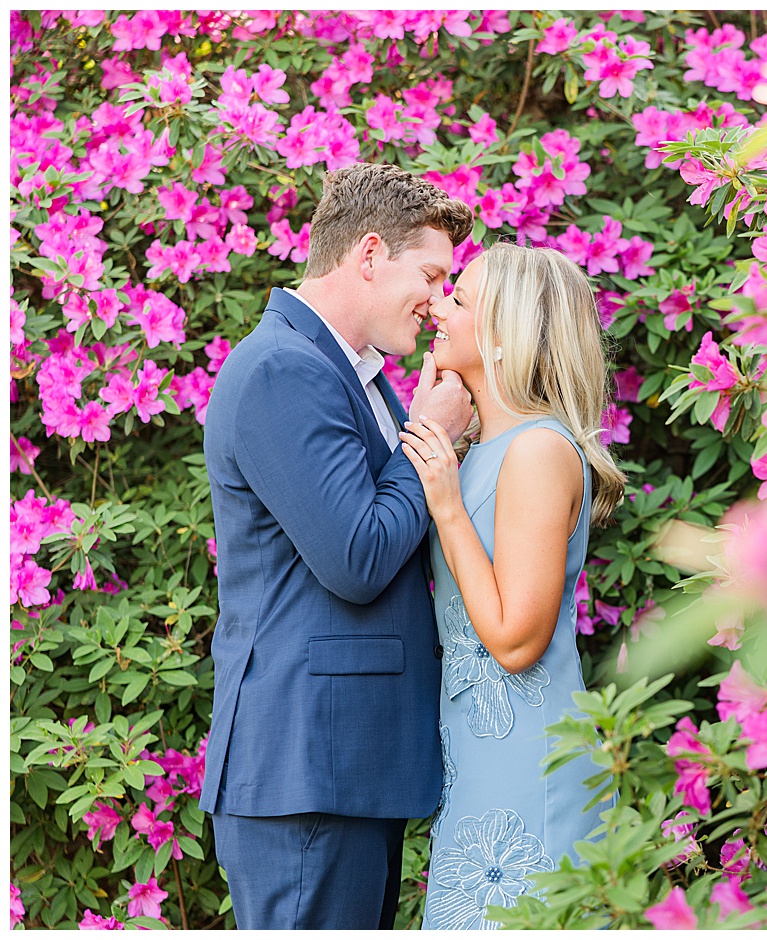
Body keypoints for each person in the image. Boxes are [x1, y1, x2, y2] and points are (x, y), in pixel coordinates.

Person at [199, 163, 475, 929]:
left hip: (344, 766)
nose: (438, 299)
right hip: (306, 770)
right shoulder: (282, 370)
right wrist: (433, 439)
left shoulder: (360, 376)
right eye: (430, 273)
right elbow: (356, 557)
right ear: (370, 254)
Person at [396, 243, 626, 930]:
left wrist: (444, 505)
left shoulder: (538, 450)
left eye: (460, 300)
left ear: (504, 338)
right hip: (482, 756)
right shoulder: (479, 453)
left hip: (532, 760)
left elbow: (516, 641)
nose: (439, 305)